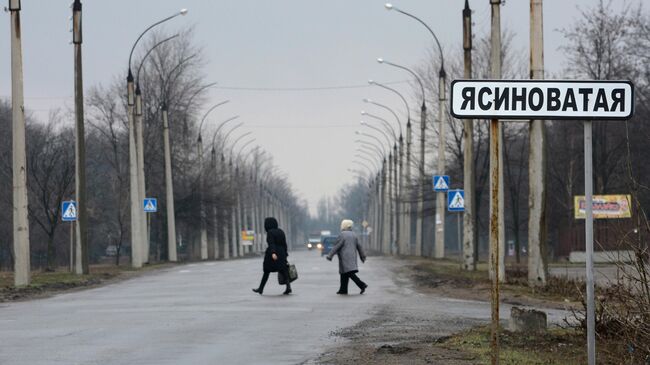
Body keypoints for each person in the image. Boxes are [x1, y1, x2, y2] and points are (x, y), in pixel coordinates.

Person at [326, 219, 368, 295]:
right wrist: (363, 256)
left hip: (345, 258)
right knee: (344, 273)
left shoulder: (342, 235)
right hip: (352, 257)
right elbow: (359, 247)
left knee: (349, 273)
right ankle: (343, 289)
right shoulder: (354, 235)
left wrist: (330, 255)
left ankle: (362, 285)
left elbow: (336, 246)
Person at [252, 217, 292, 295]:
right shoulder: (281, 231)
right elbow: (284, 244)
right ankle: (288, 287)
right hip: (282, 253)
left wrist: (273, 253)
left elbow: (271, 243)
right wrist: (285, 254)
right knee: (283, 270)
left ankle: (260, 288)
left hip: (273, 254)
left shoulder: (270, 232)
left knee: (266, 271)